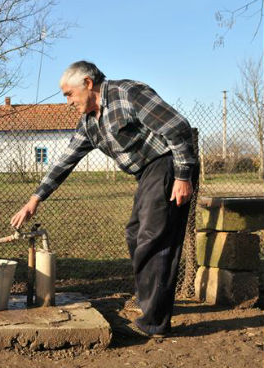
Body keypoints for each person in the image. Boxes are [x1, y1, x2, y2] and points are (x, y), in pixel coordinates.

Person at [10, 61, 197, 337]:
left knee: (153, 238)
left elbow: (177, 127)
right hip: (147, 172)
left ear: (88, 83)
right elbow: (64, 162)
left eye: (69, 94)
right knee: (135, 234)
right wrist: (35, 198)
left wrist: (183, 175)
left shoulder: (127, 93)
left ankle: (153, 324)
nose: (67, 102)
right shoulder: (89, 124)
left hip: (167, 162)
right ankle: (152, 305)